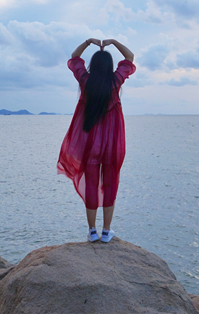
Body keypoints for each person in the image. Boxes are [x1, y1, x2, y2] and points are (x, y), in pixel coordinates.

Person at [57, 38, 135, 243]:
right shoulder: (115, 81)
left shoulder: (85, 81)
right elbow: (129, 57)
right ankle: (106, 231)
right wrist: (114, 42)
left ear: (94, 65)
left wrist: (88, 42)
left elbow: (75, 58)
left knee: (91, 185)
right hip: (112, 145)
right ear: (110, 66)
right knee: (111, 184)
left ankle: (92, 231)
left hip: (91, 145)